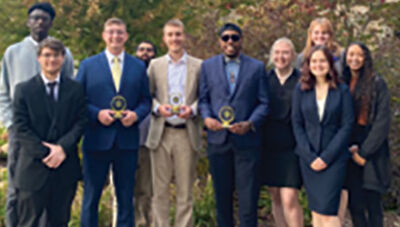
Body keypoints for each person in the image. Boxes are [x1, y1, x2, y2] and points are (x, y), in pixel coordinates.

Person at [0, 2, 74, 227]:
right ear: (28, 22)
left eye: (44, 18)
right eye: (35, 18)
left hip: (53, 136)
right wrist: (11, 124)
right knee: (18, 188)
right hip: (21, 133)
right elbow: (3, 91)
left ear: (51, 22)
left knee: (49, 189)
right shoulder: (13, 52)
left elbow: (69, 91)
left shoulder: (65, 53)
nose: (39, 22)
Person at [76, 17, 151, 227]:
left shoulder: (137, 66)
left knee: (126, 196)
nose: (115, 36)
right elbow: (77, 100)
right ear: (104, 35)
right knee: (91, 196)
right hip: (96, 139)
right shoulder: (88, 65)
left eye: (120, 32)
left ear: (126, 36)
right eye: (111, 32)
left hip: (127, 141)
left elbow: (146, 100)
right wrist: (96, 113)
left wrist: (136, 115)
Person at [199, 23, 269, 227]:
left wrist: (251, 123)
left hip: (247, 142)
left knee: (248, 200)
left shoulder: (256, 67)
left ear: (241, 40)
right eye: (226, 37)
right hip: (218, 141)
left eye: (235, 38)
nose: (230, 42)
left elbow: (264, 102)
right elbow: (203, 99)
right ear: (220, 41)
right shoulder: (208, 66)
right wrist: (207, 118)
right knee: (222, 199)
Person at [12, 38, 86, 227]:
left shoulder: (76, 90)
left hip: (65, 168)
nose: (51, 60)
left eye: (56, 55)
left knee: (60, 222)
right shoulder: (24, 90)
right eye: (47, 55)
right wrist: (46, 153)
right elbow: (21, 127)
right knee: (28, 222)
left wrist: (62, 148)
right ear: (39, 58)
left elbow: (81, 123)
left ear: (63, 58)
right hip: (33, 168)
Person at [146, 19, 203, 227]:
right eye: (170, 34)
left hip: (186, 133)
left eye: (178, 34)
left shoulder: (199, 65)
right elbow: (147, 95)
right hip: (161, 132)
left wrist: (194, 109)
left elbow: (204, 96)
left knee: (185, 190)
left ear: (184, 36)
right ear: (164, 39)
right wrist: (157, 108)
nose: (174, 38)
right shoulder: (155, 65)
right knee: (159, 190)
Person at [291, 45, 354, 227]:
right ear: (308, 64)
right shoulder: (300, 90)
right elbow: (297, 124)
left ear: (330, 64)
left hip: (334, 159)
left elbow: (347, 125)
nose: (318, 65)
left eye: (322, 61)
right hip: (308, 159)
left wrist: (326, 157)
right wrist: (310, 156)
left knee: (328, 213)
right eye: (314, 61)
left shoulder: (341, 90)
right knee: (317, 213)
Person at [341, 42, 391, 227]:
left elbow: (382, 122)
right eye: (351, 54)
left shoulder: (377, 83)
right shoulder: (341, 82)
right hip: (348, 145)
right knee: (355, 203)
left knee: (373, 203)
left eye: (359, 55)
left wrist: (363, 153)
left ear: (366, 58)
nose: (354, 59)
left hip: (371, 148)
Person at [260, 37, 303, 227]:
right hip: (268, 145)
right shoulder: (263, 79)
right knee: (276, 196)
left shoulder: (302, 79)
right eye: (277, 52)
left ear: (293, 55)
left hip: (292, 146)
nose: (281, 56)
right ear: (271, 56)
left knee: (289, 198)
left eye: (285, 52)